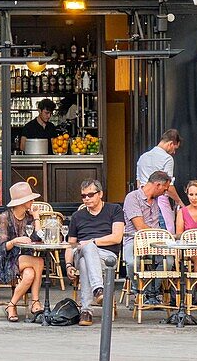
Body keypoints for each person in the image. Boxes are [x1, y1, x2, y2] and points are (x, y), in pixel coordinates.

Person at [64, 179, 124, 326]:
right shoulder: (77, 216)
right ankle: (98, 289)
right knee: (86, 251)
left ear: (100, 194)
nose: (87, 198)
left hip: (107, 256)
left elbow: (117, 237)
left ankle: (86, 311)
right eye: (83, 196)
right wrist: (68, 264)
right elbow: (71, 245)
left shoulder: (114, 209)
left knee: (86, 260)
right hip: (81, 252)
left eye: (90, 195)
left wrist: (93, 242)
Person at [0, 181, 45, 322]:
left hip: (26, 258)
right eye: (30, 199)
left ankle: (11, 305)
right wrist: (15, 241)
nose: (33, 201)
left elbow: (38, 238)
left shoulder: (29, 217)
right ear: (22, 201)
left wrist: (36, 217)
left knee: (30, 274)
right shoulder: (5, 217)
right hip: (8, 260)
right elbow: (1, 247)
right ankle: (35, 302)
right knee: (40, 261)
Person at [122, 170, 172, 305]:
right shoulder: (133, 197)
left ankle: (151, 291)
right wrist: (160, 233)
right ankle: (139, 289)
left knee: (169, 261)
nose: (165, 192)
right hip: (134, 240)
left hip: (155, 242)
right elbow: (140, 227)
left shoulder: (156, 201)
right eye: (165, 189)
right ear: (157, 185)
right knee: (132, 263)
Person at [136, 129, 185, 231]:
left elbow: (138, 183)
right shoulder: (167, 159)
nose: (174, 152)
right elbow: (169, 186)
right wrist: (180, 202)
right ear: (171, 144)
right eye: (175, 148)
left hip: (142, 200)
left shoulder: (142, 157)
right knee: (165, 232)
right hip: (160, 201)